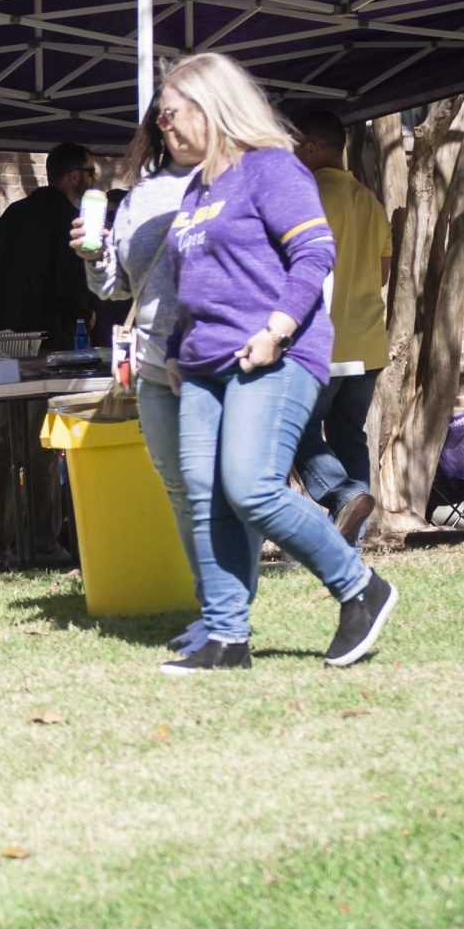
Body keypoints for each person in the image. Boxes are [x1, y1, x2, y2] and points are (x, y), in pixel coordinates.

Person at [158, 53, 398, 674]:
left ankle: (360, 588)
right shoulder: (196, 189)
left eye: (171, 114)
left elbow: (316, 254)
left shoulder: (272, 170)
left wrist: (278, 328)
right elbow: (197, 280)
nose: (163, 127)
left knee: (251, 486)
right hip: (204, 363)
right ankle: (225, 635)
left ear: (212, 107)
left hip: (274, 352)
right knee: (205, 495)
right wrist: (176, 352)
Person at [78, 107, 206, 645]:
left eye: (184, 116)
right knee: (181, 489)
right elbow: (114, 289)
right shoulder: (140, 196)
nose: (172, 128)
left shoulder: (235, 178)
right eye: (164, 120)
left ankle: (340, 560)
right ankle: (215, 611)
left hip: (214, 358)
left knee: (224, 486)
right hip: (154, 364)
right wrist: (93, 252)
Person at [286, 108, 393, 547]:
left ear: (312, 146)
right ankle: (353, 537)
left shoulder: (302, 193)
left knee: (298, 433)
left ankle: (344, 494)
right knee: (351, 435)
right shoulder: (370, 200)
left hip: (318, 343)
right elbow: (384, 273)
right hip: (367, 341)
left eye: (295, 146)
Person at [0, 142, 100, 347]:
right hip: (51, 337)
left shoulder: (13, 214)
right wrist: (84, 315)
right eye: (90, 172)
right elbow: (75, 279)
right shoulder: (73, 222)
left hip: (3, 336)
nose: (94, 179)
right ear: (74, 176)